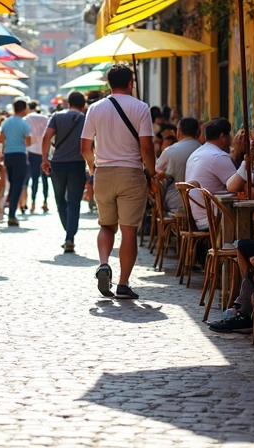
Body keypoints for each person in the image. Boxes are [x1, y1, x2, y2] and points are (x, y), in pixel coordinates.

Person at [80, 64, 156, 299]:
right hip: (131, 173)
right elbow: (146, 147)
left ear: (109, 83)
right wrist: (152, 173)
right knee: (128, 229)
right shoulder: (141, 108)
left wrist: (93, 167)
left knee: (106, 225)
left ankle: (104, 264)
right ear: (131, 83)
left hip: (103, 173)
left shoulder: (95, 108)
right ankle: (123, 284)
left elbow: (85, 147)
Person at [41, 91, 88, 253]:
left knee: (60, 199)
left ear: (68, 103)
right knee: (74, 201)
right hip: (77, 163)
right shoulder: (85, 119)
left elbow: (46, 137)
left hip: (58, 163)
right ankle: (70, 237)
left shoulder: (57, 116)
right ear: (83, 105)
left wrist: (45, 159)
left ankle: (68, 233)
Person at [183, 118, 238, 230]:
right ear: (223, 137)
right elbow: (238, 187)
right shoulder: (218, 156)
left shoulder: (195, 154)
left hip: (197, 218)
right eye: (230, 136)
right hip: (213, 218)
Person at [156, 117, 202, 212]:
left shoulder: (170, 151)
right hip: (202, 202)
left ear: (179, 131)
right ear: (198, 132)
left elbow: (156, 171)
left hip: (176, 202)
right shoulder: (203, 149)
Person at [0, 99, 32, 227]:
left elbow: (1, 139)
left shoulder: (6, 122)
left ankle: (11, 212)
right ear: (23, 109)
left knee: (13, 184)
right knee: (18, 185)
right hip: (20, 155)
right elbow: (28, 142)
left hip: (8, 155)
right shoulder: (24, 123)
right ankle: (12, 214)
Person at [25, 100, 51, 214]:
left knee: (34, 179)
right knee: (45, 179)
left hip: (32, 151)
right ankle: (45, 202)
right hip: (45, 151)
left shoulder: (27, 118)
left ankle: (33, 202)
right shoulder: (45, 118)